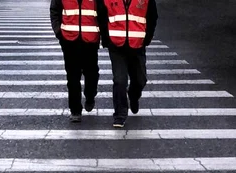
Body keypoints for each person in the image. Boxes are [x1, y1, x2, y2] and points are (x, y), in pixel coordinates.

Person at [97, 0, 158, 128]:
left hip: (137, 45)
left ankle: (133, 95)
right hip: (116, 45)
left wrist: (147, 39)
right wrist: (106, 38)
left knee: (140, 80)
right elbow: (102, 16)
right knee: (119, 80)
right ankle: (120, 115)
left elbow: (152, 16)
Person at [50, 0, 101, 122]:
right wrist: (58, 32)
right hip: (69, 40)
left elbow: (103, 13)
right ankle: (75, 110)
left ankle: (90, 95)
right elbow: (55, 11)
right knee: (73, 76)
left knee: (92, 73)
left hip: (90, 40)